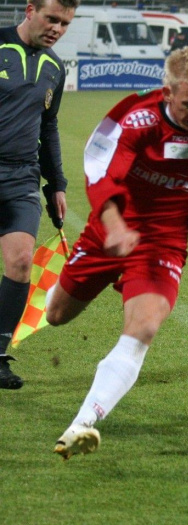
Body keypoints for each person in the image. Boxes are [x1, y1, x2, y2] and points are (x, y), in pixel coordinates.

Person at [46, 47, 188, 459]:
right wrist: (116, 228)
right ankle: (50, 285)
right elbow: (101, 173)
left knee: (144, 329)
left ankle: (82, 423)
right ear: (166, 91)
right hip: (108, 229)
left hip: (163, 241)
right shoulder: (136, 117)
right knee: (57, 315)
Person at [0, 0, 79, 390]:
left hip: (21, 177)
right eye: (52, 19)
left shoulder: (54, 68)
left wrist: (57, 183)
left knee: (19, 263)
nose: (57, 29)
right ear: (30, 10)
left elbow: (48, 127)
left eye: (65, 23)